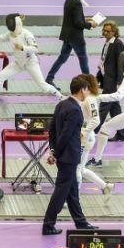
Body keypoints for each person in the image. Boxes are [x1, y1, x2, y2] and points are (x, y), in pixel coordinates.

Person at [42, 77, 98, 235]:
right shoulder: (75, 110)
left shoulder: (61, 104)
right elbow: (65, 135)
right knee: (60, 192)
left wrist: (53, 150)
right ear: (82, 90)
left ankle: (81, 223)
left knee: (72, 192)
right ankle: (48, 225)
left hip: (63, 156)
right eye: (87, 89)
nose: (88, 92)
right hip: (68, 157)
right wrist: (56, 154)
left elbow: (52, 130)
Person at [0, 13, 63, 107]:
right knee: (0, 77)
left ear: (17, 23)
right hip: (18, 63)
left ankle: (61, 97)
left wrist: (22, 47)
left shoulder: (27, 34)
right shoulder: (9, 34)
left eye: (11, 23)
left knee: (43, 85)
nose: (10, 26)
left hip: (31, 62)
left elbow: (35, 49)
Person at [44, 0, 97, 87]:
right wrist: (90, 25)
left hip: (67, 36)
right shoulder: (77, 3)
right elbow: (77, 23)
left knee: (62, 58)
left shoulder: (69, 0)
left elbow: (72, 18)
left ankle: (49, 78)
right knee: (83, 59)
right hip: (76, 37)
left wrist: (85, 19)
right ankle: (89, 83)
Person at [74, 73, 113, 196]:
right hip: (85, 137)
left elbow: (96, 120)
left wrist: (84, 132)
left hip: (85, 138)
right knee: (81, 169)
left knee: (76, 168)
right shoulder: (87, 98)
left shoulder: (89, 99)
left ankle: (74, 198)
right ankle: (105, 186)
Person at [96, 20, 124, 142]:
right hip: (107, 78)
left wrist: (119, 81)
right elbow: (104, 61)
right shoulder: (107, 43)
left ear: (114, 32)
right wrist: (99, 76)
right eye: (104, 30)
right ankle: (121, 134)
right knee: (115, 109)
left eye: (108, 31)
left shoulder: (118, 44)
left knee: (103, 107)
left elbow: (121, 64)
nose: (105, 33)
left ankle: (92, 132)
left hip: (112, 81)